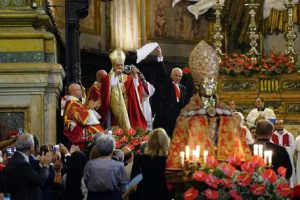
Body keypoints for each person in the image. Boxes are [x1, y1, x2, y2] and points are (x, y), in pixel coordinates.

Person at [100, 48, 147, 131]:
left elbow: (133, 94)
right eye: (118, 65)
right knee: (115, 127)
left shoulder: (127, 78)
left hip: (126, 105)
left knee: (126, 125)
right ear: (113, 66)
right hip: (113, 106)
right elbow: (106, 91)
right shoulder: (107, 78)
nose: (120, 67)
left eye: (121, 65)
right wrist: (114, 76)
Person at [4, 133, 52, 200]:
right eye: (33, 143)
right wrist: (46, 164)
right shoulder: (21, 164)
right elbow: (40, 180)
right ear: (30, 146)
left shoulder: (17, 159)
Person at [152, 47, 187, 137]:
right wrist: (159, 54)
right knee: (165, 137)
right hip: (165, 115)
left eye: (180, 76)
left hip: (177, 116)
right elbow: (161, 71)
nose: (178, 77)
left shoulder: (183, 88)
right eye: (176, 75)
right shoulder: (166, 83)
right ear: (171, 75)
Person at [83, 134, 128, 200]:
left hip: (93, 197)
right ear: (113, 149)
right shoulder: (119, 165)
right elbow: (124, 188)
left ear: (97, 148)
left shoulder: (89, 165)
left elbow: (85, 183)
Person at [130, 128, 170, 200]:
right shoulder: (168, 161)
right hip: (162, 195)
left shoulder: (139, 159)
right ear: (166, 142)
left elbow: (133, 181)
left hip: (143, 195)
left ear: (150, 142)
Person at [63, 83, 104, 149]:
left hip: (81, 128)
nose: (82, 92)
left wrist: (90, 107)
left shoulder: (75, 102)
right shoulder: (72, 103)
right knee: (99, 135)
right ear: (74, 91)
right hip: (78, 132)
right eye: (80, 90)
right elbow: (83, 119)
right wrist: (90, 108)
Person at [271, 119, 296, 187]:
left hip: (286, 158)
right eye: (277, 124)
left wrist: (286, 148)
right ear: (275, 126)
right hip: (275, 158)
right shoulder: (272, 135)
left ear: (283, 125)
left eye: (280, 123)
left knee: (287, 174)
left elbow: (293, 146)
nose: (279, 125)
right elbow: (270, 146)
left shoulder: (289, 135)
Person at [130, 66, 155, 130]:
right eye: (131, 72)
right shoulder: (127, 81)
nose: (133, 74)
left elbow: (148, 93)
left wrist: (143, 81)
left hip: (144, 107)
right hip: (132, 108)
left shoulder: (143, 82)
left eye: (134, 72)